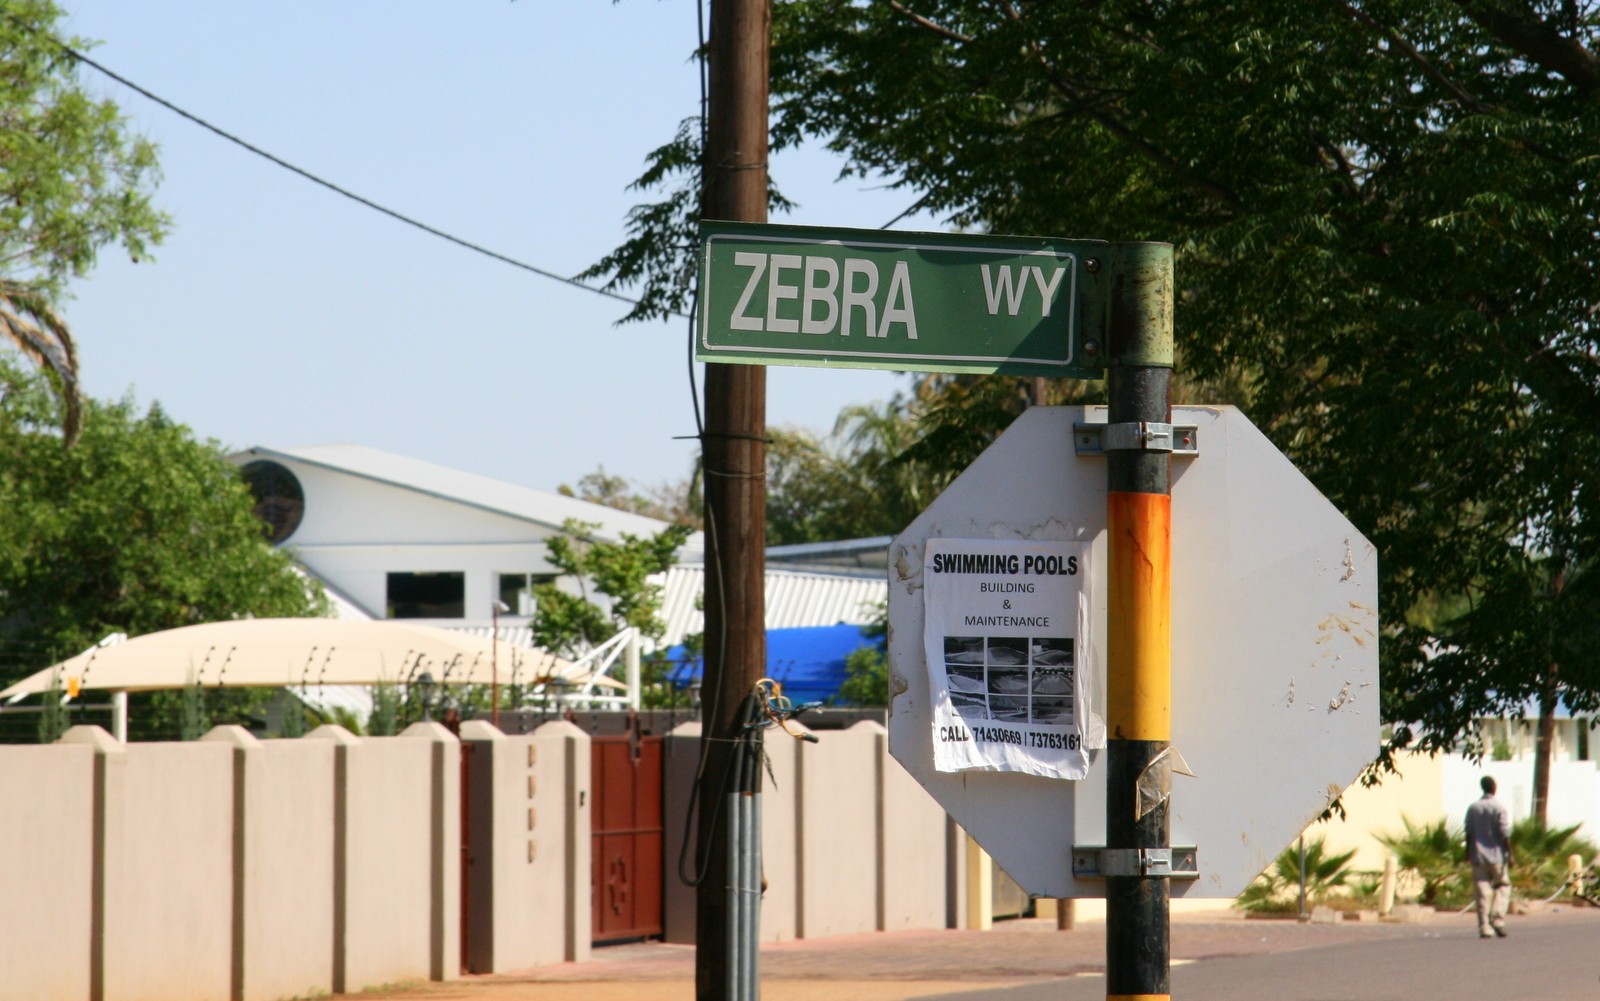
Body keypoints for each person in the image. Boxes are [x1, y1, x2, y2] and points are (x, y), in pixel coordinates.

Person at [1464, 775, 1513, 938]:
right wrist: (1510, 854)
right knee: (1503, 886)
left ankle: (1484, 926)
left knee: (1482, 892)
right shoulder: (1499, 807)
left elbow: (1468, 833)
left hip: (1478, 856)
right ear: (1494, 788)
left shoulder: (1473, 808)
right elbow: (1504, 832)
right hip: (1497, 855)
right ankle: (1497, 917)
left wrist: (1467, 854)